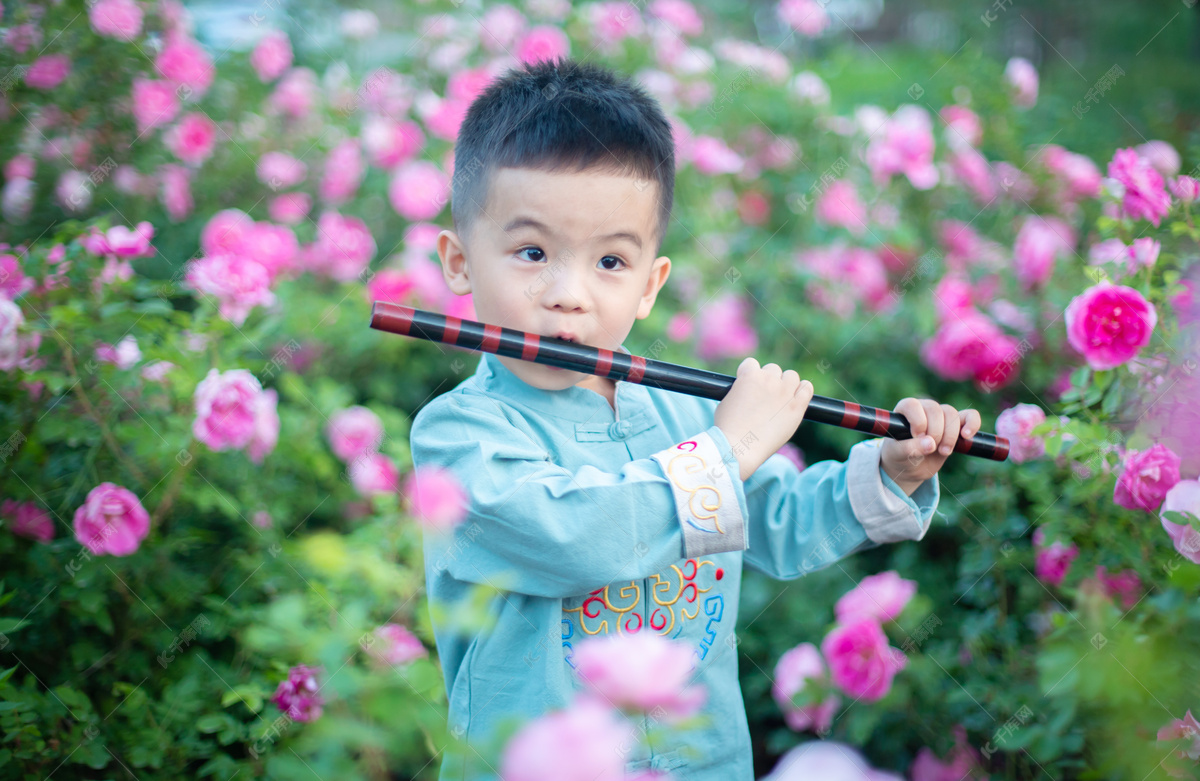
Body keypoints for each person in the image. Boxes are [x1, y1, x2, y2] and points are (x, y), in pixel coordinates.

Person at [407, 57, 981, 780]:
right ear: (460, 264)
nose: (567, 294)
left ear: (651, 285)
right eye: (531, 252)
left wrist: (892, 470)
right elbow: (575, 537)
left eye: (610, 262)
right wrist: (729, 446)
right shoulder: (459, 434)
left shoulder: (683, 411)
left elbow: (778, 519)